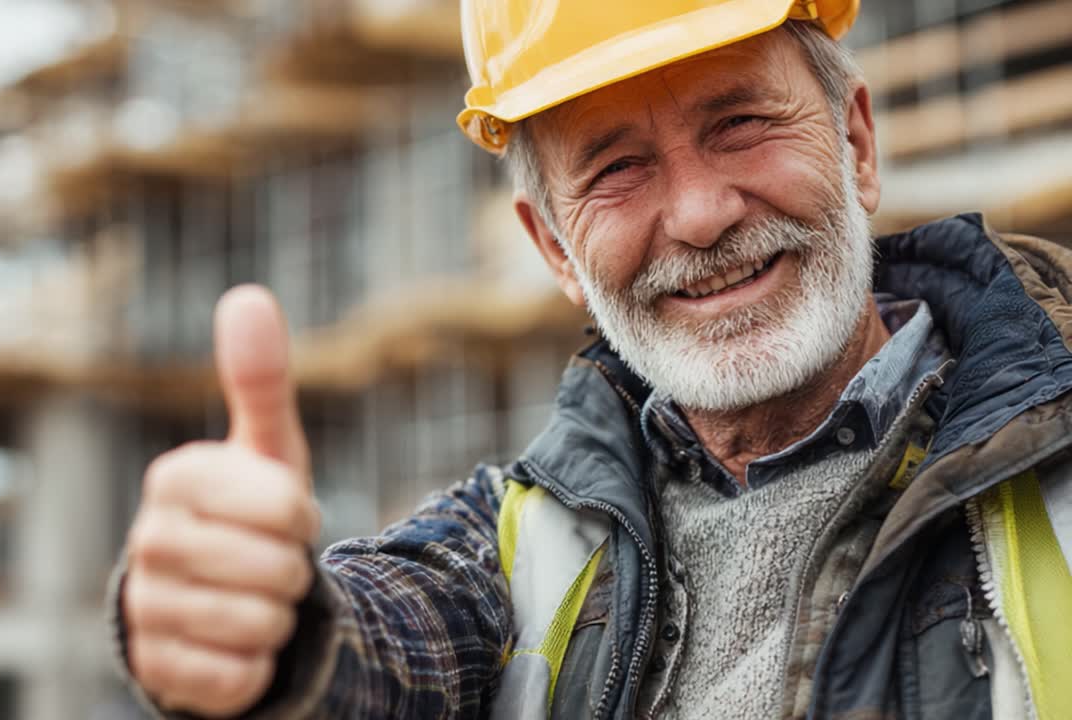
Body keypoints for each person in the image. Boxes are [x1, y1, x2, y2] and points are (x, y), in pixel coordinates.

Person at [109, 1, 1072, 718]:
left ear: (856, 143)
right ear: (557, 250)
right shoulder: (518, 546)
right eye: (616, 170)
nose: (700, 215)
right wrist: (267, 627)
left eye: (739, 123)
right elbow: (377, 645)